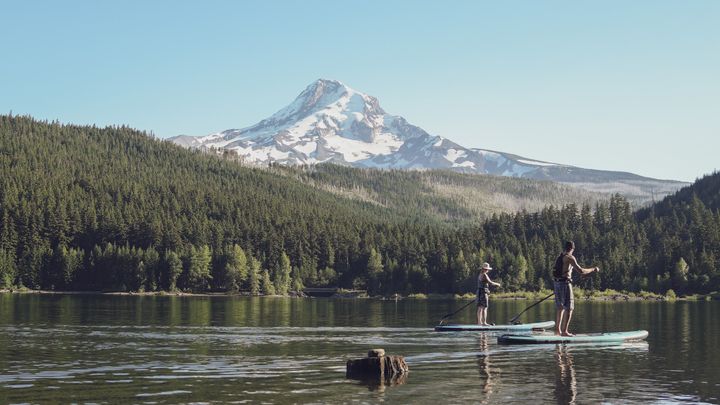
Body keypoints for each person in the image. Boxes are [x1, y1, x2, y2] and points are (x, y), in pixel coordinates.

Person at [554, 241, 600, 336]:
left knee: (560, 307)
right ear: (572, 249)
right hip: (565, 284)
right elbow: (581, 271)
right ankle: (565, 332)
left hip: (557, 283)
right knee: (569, 308)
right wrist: (593, 269)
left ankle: (558, 331)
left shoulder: (560, 256)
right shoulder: (570, 257)